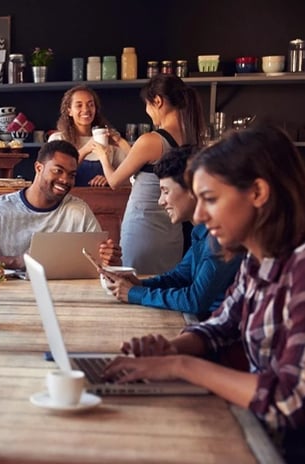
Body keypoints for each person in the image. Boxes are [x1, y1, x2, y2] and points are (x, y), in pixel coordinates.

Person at [104, 125, 305, 461]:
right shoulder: (258, 260)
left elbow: (288, 401)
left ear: (257, 192)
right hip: (259, 436)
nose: (198, 215)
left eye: (210, 199)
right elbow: (222, 326)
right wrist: (169, 350)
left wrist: (181, 366)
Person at [103, 146, 241, 318]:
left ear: (193, 190)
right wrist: (140, 285)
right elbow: (179, 277)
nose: (161, 201)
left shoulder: (220, 237)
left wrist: (135, 294)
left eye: (165, 191)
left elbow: (195, 300)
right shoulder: (201, 231)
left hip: (217, 332)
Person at [95, 73, 206, 275]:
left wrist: (102, 155)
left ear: (158, 101)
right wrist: (121, 143)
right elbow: (149, 165)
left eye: (147, 105)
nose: (147, 111)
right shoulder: (190, 137)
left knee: (134, 287)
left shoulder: (151, 140)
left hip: (144, 228)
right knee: (163, 288)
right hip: (172, 233)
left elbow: (114, 181)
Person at [0, 140, 121, 270]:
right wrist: (15, 261)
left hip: (65, 297)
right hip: (8, 299)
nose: (65, 180)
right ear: (39, 168)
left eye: (72, 174)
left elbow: (102, 264)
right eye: (57, 171)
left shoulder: (79, 211)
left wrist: (110, 258)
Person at [47, 85, 130, 187]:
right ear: (69, 111)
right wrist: (86, 149)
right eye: (79, 105)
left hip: (103, 200)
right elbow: (53, 176)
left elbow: (131, 178)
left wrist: (110, 179)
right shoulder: (58, 139)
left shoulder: (109, 138)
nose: (86, 109)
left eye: (90, 105)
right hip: (68, 201)